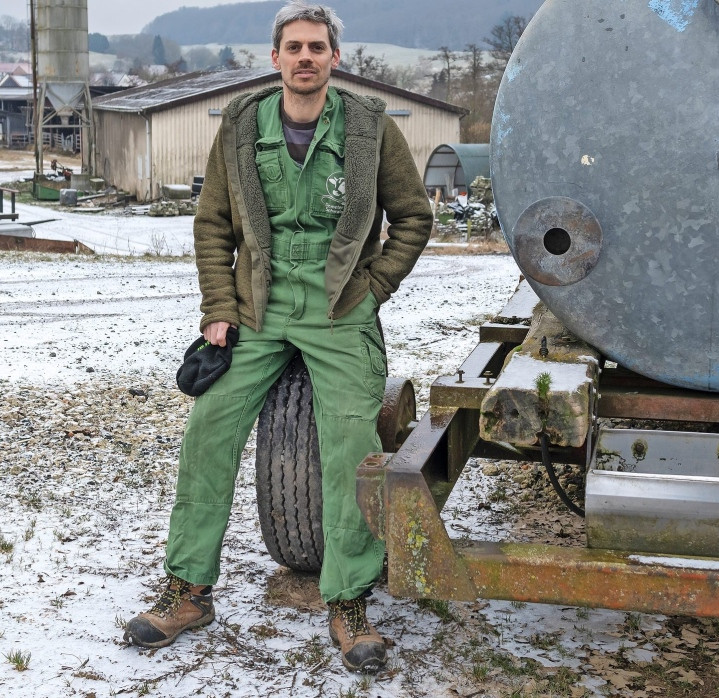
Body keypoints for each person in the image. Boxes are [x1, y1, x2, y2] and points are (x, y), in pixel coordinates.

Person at [124, 1, 433, 674]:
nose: (304, 57)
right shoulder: (241, 124)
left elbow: (412, 215)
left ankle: (348, 600)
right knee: (209, 427)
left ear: (334, 58)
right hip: (258, 305)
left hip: (340, 306)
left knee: (353, 442)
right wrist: (218, 305)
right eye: (293, 46)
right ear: (274, 57)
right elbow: (212, 225)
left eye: (317, 47)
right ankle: (188, 592)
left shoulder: (370, 127)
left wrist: (375, 287)